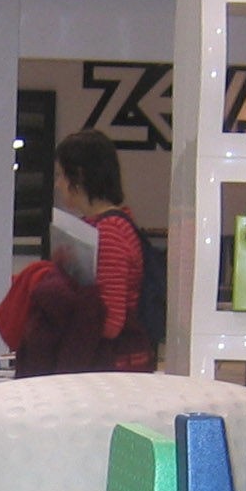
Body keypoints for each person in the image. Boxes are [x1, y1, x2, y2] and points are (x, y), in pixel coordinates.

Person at [53, 128, 156, 372]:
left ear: (78, 176)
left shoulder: (109, 233)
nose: (58, 184)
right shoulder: (108, 226)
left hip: (111, 369)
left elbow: (111, 322)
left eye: (61, 175)